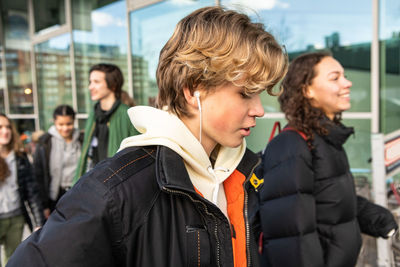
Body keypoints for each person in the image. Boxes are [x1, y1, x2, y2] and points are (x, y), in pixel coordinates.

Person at [6, 6, 288, 267]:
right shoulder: (114, 191)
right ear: (193, 90)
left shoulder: (244, 172)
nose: (260, 110)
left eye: (260, 94)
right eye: (245, 93)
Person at [256, 52, 398, 267]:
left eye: (345, 76)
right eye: (335, 78)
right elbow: (293, 240)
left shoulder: (324, 138)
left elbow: (328, 199)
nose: (347, 83)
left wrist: (376, 218)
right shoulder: (292, 146)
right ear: (307, 90)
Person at [73, 63, 139, 182]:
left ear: (113, 85)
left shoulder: (127, 114)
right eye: (90, 82)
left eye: (96, 82)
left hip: (117, 187)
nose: (90, 87)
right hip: (93, 183)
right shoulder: (94, 114)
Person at [0, 114, 45, 266]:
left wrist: (38, 222)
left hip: (16, 219)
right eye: (0, 127)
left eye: (7, 127)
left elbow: (32, 193)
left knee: (12, 261)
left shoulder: (20, 158)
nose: (5, 131)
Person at [33, 105, 83, 218]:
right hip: (55, 196)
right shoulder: (45, 142)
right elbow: (39, 175)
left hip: (79, 193)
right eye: (60, 124)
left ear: (74, 122)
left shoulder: (82, 139)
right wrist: (44, 205)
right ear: (54, 122)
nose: (65, 128)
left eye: (69, 124)